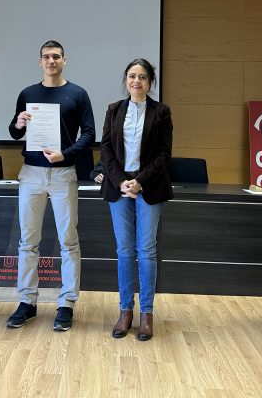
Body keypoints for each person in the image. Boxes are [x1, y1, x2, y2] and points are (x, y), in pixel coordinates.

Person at [6, 40, 95, 332]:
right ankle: (26, 302)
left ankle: (66, 304)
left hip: (63, 173)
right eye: (46, 57)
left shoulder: (78, 94)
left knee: (68, 241)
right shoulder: (27, 94)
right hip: (31, 173)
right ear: (40, 61)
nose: (51, 61)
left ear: (64, 60)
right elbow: (14, 132)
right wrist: (19, 122)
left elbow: (90, 133)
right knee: (27, 242)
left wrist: (65, 154)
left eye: (56, 56)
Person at [99, 58, 173, 341]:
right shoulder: (114, 110)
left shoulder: (162, 112)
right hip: (119, 187)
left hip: (149, 187)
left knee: (147, 250)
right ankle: (125, 311)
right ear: (126, 80)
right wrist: (121, 181)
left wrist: (140, 182)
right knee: (125, 251)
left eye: (142, 77)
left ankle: (147, 314)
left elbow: (165, 154)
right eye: (132, 76)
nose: (136, 81)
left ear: (150, 82)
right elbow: (105, 149)